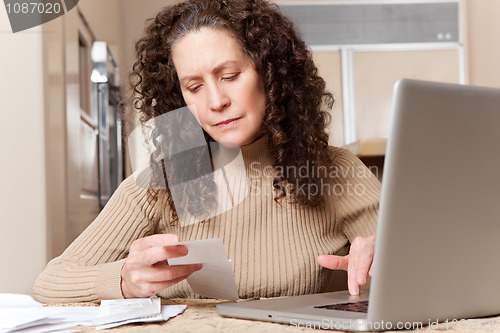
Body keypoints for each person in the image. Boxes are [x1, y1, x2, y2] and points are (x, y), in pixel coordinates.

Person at [33, 0, 380, 304]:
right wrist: (123, 280)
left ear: (271, 74)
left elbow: (418, 265)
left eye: (229, 76)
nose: (216, 102)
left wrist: (387, 258)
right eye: (194, 87)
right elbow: (50, 282)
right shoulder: (159, 185)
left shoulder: (332, 170)